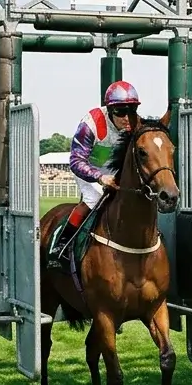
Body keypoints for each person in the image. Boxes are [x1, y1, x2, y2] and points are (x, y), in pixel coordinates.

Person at [52, 80, 141, 259]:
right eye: (120, 111)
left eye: (131, 111)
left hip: (115, 169)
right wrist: (100, 177)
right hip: (89, 167)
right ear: (109, 110)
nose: (126, 117)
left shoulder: (136, 124)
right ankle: (61, 245)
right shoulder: (91, 123)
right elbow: (76, 161)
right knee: (94, 198)